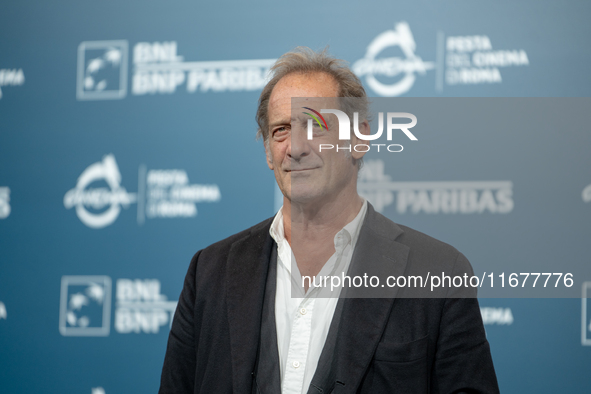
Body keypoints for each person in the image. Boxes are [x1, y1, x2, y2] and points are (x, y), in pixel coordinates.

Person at [159, 47, 499, 394]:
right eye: (280, 130)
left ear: (359, 138)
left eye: (315, 125)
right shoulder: (211, 271)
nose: (295, 147)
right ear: (267, 152)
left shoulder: (438, 271)